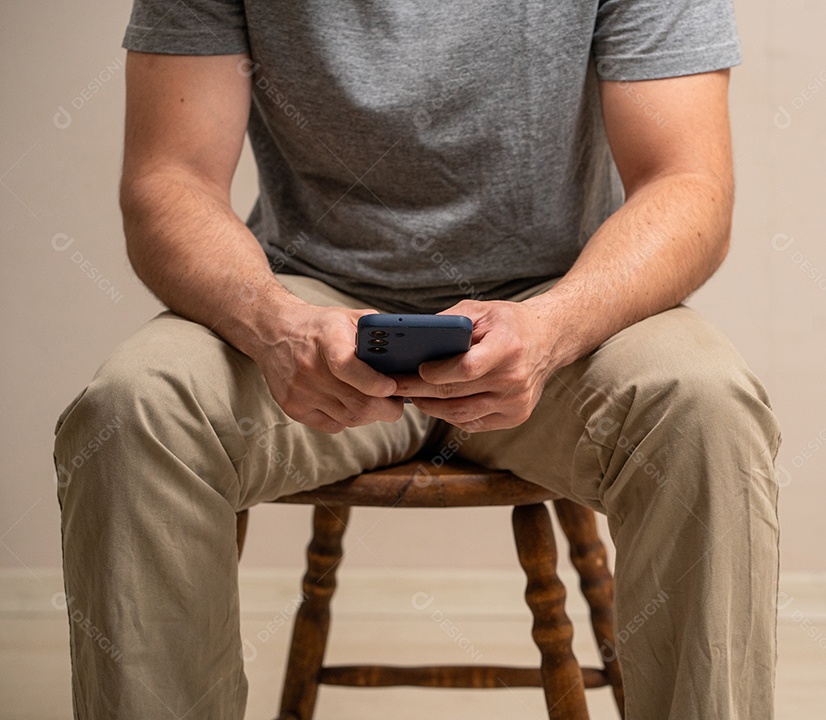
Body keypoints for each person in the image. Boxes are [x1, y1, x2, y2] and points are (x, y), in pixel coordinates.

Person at [53, 1, 782, 718]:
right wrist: (275, 325)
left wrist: (552, 329)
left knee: (706, 408)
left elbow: (688, 184)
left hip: (557, 308)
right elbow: (168, 181)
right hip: (313, 309)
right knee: (133, 412)